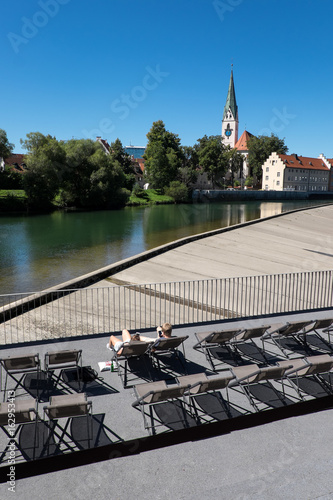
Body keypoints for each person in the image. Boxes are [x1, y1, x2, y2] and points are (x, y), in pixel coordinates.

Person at [106, 322, 172, 356]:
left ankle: (110, 347)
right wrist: (159, 334)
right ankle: (133, 339)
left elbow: (119, 354)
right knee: (135, 336)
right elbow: (155, 346)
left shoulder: (157, 341)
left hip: (126, 347)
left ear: (163, 332)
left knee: (117, 334)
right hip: (137, 348)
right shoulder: (171, 340)